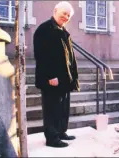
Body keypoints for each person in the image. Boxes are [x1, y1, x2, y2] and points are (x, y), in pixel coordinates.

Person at [33, 1, 80, 148]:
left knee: (62, 108)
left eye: (68, 15)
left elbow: (69, 57)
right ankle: (52, 138)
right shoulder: (44, 29)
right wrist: (50, 76)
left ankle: (60, 132)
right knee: (51, 108)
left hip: (64, 78)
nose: (66, 17)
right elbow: (41, 56)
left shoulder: (63, 31)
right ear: (55, 11)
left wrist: (73, 76)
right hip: (52, 78)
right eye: (64, 13)